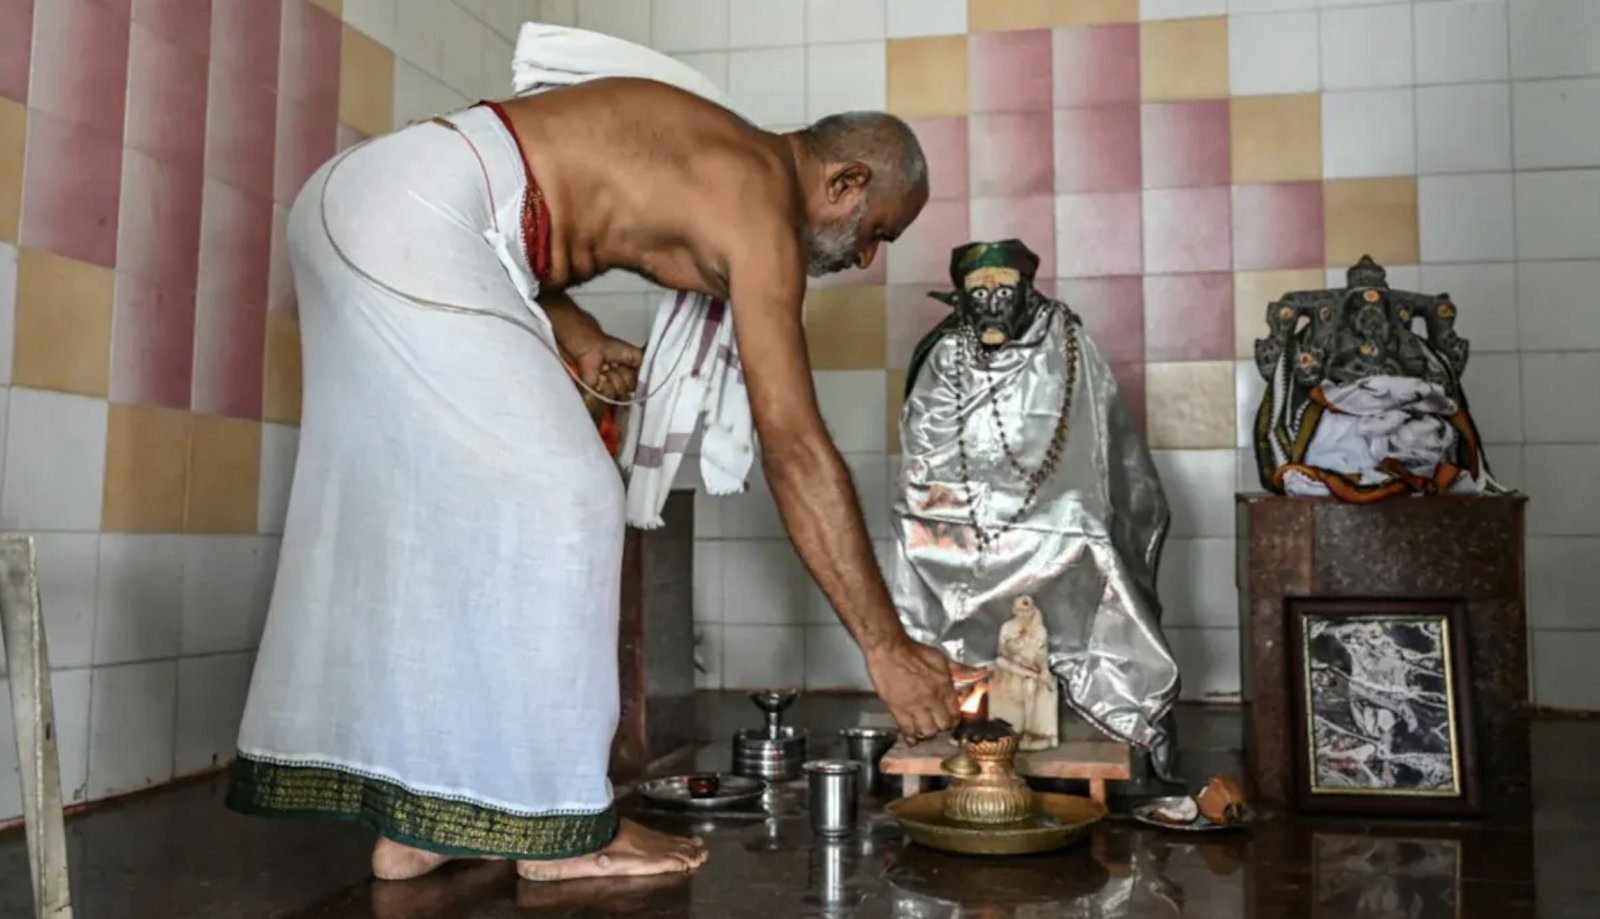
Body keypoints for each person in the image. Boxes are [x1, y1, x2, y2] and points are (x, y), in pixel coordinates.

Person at [227, 77, 978, 884]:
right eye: (876, 234)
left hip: (362, 202)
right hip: (410, 213)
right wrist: (885, 644)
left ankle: (433, 816)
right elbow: (793, 443)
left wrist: (579, 335)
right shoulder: (759, 200)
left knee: (449, 516)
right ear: (846, 181)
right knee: (577, 500)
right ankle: (567, 830)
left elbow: (523, 201)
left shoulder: (714, 155)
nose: (865, 257)